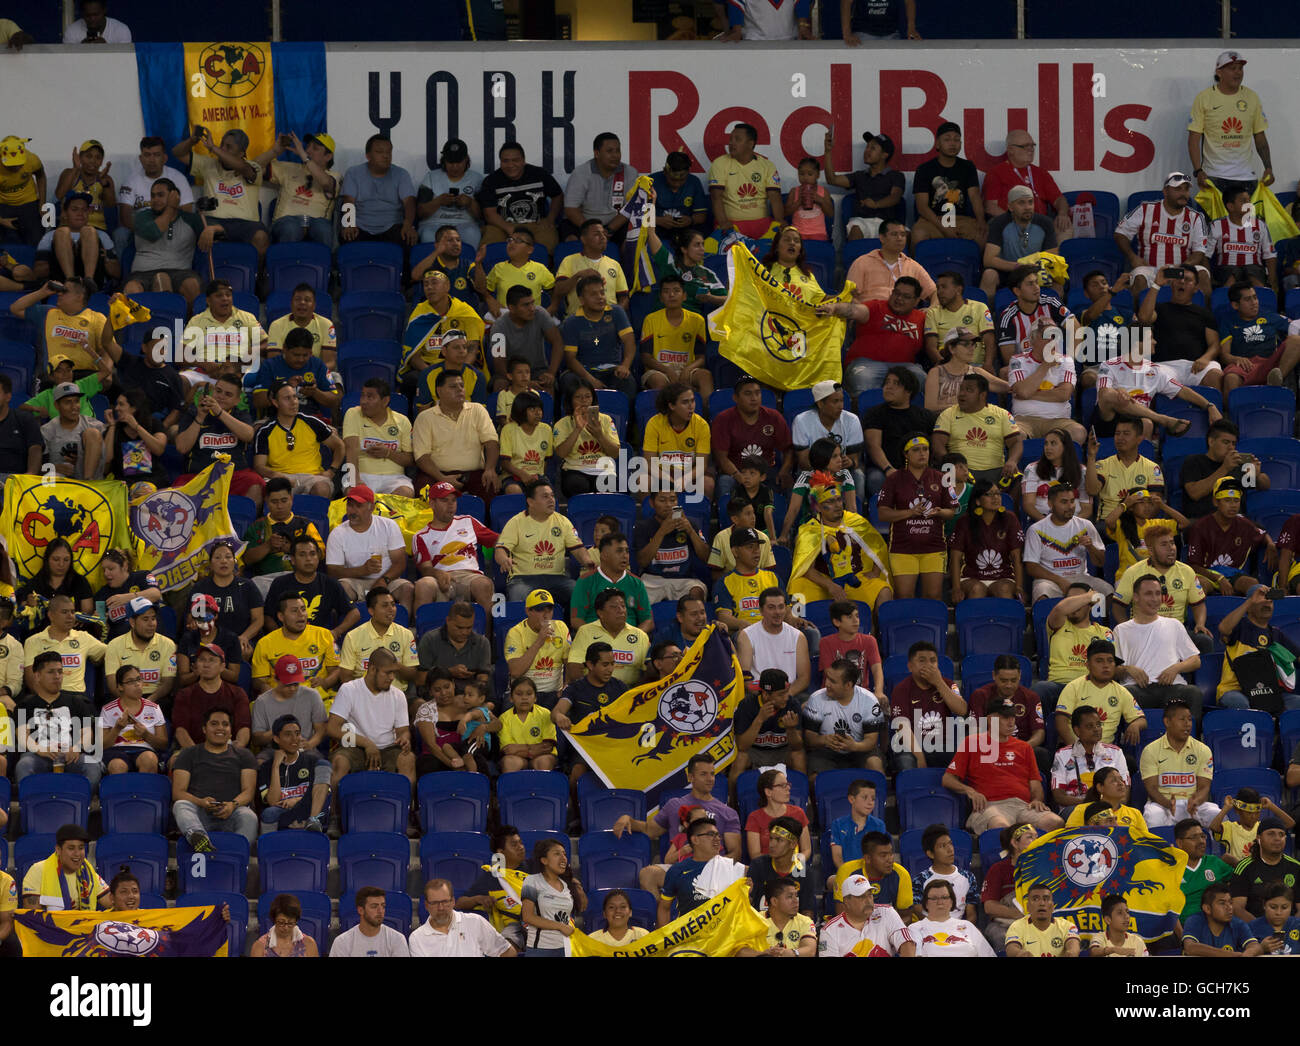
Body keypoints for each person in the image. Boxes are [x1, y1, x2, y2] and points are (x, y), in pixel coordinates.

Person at [615, 754, 743, 894]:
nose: (710, 779)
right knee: (648, 874)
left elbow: (735, 852)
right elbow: (649, 829)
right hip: (679, 869)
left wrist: (710, 868)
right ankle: (662, 908)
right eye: (703, 774)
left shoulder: (727, 812)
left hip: (713, 869)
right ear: (690, 777)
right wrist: (629, 820)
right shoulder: (674, 805)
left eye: (712, 774)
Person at [944, 697, 1063, 835]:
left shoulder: (1025, 747)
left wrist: (1037, 800)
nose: (1011, 721)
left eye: (1013, 716)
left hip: (1023, 806)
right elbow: (947, 779)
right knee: (1001, 826)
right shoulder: (971, 742)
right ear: (990, 719)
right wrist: (970, 791)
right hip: (990, 806)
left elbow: (1035, 784)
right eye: (1005, 717)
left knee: (1055, 822)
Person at [788, 473, 892, 613]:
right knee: (797, 588)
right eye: (830, 502)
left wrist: (875, 572)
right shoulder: (810, 530)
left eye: (838, 500)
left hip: (855, 579)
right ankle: (797, 624)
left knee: (884, 591)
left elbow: (878, 547)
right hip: (823, 583)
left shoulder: (856, 521)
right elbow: (805, 568)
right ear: (818, 507)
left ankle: (875, 627)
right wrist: (830, 585)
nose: (837, 505)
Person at [876, 433, 954, 599]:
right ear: (906, 454)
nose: (922, 453)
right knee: (904, 596)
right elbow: (882, 514)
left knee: (933, 596)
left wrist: (939, 512)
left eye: (925, 449)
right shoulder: (894, 479)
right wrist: (910, 512)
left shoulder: (942, 478)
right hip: (902, 547)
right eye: (916, 450)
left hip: (934, 546)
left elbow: (951, 511)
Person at [170, 706, 258, 851]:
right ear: (204, 729)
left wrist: (232, 805)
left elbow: (248, 791)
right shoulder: (188, 754)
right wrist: (201, 802)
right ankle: (198, 837)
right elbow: (178, 792)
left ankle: (236, 853)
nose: (220, 728)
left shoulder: (244, 755)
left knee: (249, 816)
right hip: (199, 814)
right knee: (181, 805)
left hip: (232, 813)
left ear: (231, 731)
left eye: (225, 724)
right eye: (214, 724)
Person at [174, 127, 268, 260]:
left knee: (261, 237)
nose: (223, 148)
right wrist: (191, 141)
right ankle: (212, 272)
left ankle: (257, 272)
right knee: (208, 233)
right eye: (222, 145)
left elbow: (243, 168)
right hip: (214, 222)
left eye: (228, 147)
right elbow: (178, 153)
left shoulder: (253, 167)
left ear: (241, 153)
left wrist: (213, 148)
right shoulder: (208, 164)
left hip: (245, 224)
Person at [1188, 51, 1273, 197]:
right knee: (1214, 214)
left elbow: (1260, 136)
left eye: (1240, 68)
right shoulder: (1204, 98)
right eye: (1232, 68)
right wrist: (1198, 171)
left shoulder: (1252, 97)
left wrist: (1268, 167)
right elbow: (1193, 139)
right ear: (1219, 72)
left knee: (1248, 214)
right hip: (1213, 177)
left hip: (1246, 177)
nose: (1238, 73)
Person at [495, 478, 592, 605]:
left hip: (557, 578)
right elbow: (500, 550)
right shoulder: (516, 522)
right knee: (517, 595)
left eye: (552, 495)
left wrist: (588, 562)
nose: (551, 500)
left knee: (579, 593)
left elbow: (578, 549)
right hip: (523, 579)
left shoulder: (562, 521)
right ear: (530, 502)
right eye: (545, 496)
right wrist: (504, 559)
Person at [327, 648, 415, 788]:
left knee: (408, 759)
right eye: (388, 672)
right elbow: (332, 728)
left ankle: (407, 802)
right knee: (340, 762)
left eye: (394, 672)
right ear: (372, 669)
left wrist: (404, 738)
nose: (392, 677)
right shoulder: (349, 690)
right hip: (355, 748)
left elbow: (403, 730)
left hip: (388, 748)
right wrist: (366, 743)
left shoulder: (398, 695)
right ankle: (334, 803)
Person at [12, 649, 100, 788]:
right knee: (24, 765)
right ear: (37, 676)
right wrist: (40, 750)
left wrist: (76, 748)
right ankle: (35, 801)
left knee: (92, 766)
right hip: (38, 755)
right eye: (51, 672)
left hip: (71, 755)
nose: (57, 676)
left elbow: (87, 733)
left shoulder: (76, 702)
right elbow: (23, 736)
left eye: (60, 671)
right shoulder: (25, 705)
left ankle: (76, 800)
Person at [1115, 173, 1212, 297]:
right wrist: (1132, 257)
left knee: (1203, 274)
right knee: (1139, 277)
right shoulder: (1145, 209)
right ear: (1165, 191)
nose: (1183, 193)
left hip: (1182, 269)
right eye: (1178, 189)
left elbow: (1199, 251)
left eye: (1186, 189)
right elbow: (1120, 233)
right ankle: (1139, 310)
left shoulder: (1196, 217)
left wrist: (1182, 269)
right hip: (1150, 270)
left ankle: (1206, 310)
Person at [1135, 266, 1224, 392]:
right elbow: (1144, 318)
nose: (1182, 282)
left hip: (1196, 366)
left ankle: (1213, 405)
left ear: (1196, 288)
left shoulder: (1204, 314)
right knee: (1150, 374)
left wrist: (1205, 358)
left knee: (1215, 374)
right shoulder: (1159, 308)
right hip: (1165, 366)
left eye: (1187, 280)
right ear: (1172, 284)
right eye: (1178, 279)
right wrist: (1156, 285)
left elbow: (1214, 344)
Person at [251, 378, 344, 498]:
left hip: (312, 477)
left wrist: (331, 471)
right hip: (281, 477)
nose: (294, 402)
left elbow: (339, 445)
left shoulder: (311, 422)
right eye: (287, 398)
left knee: (322, 488)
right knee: (276, 492)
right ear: (275, 402)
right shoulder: (265, 430)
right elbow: (259, 465)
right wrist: (274, 474)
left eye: (295, 397)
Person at [325, 484, 413, 610]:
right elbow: (333, 571)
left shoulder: (389, 526)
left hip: (387, 580)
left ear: (371, 507)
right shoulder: (337, 533)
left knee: (407, 588)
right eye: (350, 505)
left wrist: (383, 580)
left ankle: (403, 621)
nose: (352, 511)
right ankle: (347, 621)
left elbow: (400, 563)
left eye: (358, 506)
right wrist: (362, 570)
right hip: (355, 582)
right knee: (341, 587)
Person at [1216, 585, 1300, 712]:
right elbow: (1223, 628)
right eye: (1261, 599)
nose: (1267, 603)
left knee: (1297, 703)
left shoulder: (1276, 634)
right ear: (1249, 606)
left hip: (1269, 693)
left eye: (1270, 601)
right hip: (1236, 690)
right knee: (1240, 704)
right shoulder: (1240, 626)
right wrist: (1249, 601)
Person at [930, 373, 1023, 487]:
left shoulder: (1002, 414)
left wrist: (1012, 461)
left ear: (982, 395)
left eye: (969, 390)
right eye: (961, 389)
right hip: (962, 471)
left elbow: (1016, 442)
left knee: (1019, 480)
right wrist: (952, 464)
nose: (962, 393)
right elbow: (938, 443)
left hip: (997, 471)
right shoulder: (948, 414)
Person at [1140, 698, 1219, 830]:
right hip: (1162, 804)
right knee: (1153, 816)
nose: (1187, 724)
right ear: (1167, 722)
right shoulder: (1151, 750)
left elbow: (1204, 787)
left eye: (1189, 719)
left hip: (1192, 803)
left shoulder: (1203, 750)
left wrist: (1195, 801)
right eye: (1182, 719)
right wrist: (1169, 804)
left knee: (1215, 813)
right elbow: (1152, 788)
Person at [802, 658, 888, 778]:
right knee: (815, 779)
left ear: (848, 685)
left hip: (860, 749)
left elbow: (871, 741)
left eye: (833, 681)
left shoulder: (869, 700)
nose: (827, 684)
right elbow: (809, 739)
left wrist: (854, 746)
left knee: (875, 765)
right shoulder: (816, 699)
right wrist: (824, 740)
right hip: (826, 752)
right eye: (827, 678)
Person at [1053, 639, 1147, 750]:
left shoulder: (1121, 691)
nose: (1106, 665)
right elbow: (1061, 721)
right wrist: (1076, 749)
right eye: (1099, 661)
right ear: (1088, 665)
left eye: (1110, 661)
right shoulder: (1074, 687)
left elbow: (1141, 720)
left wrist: (1135, 725)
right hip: (1075, 748)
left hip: (1106, 751)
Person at [1023, 484, 1108, 602]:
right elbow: (1031, 567)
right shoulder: (1036, 530)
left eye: (1072, 501)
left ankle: (1101, 616)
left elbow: (1100, 562)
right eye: (1064, 502)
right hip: (1049, 580)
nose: (1070, 506)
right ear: (1050, 504)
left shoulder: (1085, 525)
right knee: (1042, 593)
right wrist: (1060, 581)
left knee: (1107, 591)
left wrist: (1090, 547)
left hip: (1080, 578)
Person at [981, 130, 1071, 239]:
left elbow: (1059, 199)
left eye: (1032, 146)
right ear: (1010, 150)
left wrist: (1062, 213)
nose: (1031, 149)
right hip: (1011, 222)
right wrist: (1018, 221)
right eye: (1025, 146)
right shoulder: (996, 173)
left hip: (1039, 223)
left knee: (1065, 228)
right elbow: (990, 207)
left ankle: (1050, 251)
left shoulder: (1040, 173)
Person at [476, 141, 563, 250]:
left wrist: (550, 218)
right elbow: (490, 214)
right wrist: (510, 228)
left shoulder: (539, 174)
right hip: (502, 225)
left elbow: (558, 195)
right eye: (505, 161)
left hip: (536, 225)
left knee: (546, 243)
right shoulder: (491, 181)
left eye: (515, 160)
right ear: (500, 162)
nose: (510, 165)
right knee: (489, 246)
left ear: (523, 160)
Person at [658, 817, 745, 925]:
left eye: (718, 835)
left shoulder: (731, 867)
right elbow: (664, 908)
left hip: (723, 933)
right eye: (711, 834)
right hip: (689, 933)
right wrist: (664, 935)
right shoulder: (677, 870)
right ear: (695, 839)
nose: (717, 839)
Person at [1218, 282, 1300, 395]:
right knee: (1231, 378)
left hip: (1270, 365)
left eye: (1255, 297)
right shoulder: (1228, 322)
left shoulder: (1270, 316)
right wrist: (1236, 359)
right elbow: (1224, 355)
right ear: (1235, 305)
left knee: (1296, 340)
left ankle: (1277, 379)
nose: (1254, 302)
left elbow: (1295, 326)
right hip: (1245, 367)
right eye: (1248, 299)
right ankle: (1238, 406)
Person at [950, 480, 1025, 602]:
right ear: (978, 501)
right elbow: (955, 557)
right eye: (989, 494)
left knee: (1004, 589)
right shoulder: (964, 521)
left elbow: (1017, 557)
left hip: (1003, 576)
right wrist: (956, 588)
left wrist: (1019, 587)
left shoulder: (1009, 518)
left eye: (998, 493)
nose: (995, 497)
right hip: (971, 577)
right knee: (977, 589)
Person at [980, 186, 1059, 300]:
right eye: (1021, 203)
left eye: (1030, 202)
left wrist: (1032, 269)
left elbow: (1052, 256)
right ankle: (987, 310)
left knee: (1057, 281)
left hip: (1035, 272)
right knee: (989, 275)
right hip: (1008, 272)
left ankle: (1056, 309)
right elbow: (988, 259)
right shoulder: (999, 223)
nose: (1027, 207)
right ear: (1010, 207)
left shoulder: (1045, 223)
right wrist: (1017, 266)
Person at [1181, 420, 1269, 521]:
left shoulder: (1238, 464)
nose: (1231, 447)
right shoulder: (1194, 461)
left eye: (1233, 443)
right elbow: (1195, 493)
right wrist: (1225, 468)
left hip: (1236, 522)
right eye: (1226, 442)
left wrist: (1257, 475)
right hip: (1203, 522)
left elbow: (1265, 486)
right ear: (1211, 441)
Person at [707, 122, 782, 241]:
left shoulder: (767, 166)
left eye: (737, 139)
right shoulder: (719, 163)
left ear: (750, 144)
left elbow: (775, 198)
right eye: (730, 139)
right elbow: (716, 197)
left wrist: (780, 222)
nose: (731, 143)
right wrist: (723, 223)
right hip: (731, 225)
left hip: (762, 225)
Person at [339, 134, 416, 246]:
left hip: (393, 226)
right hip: (360, 226)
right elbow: (348, 201)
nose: (386, 156)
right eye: (379, 152)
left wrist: (408, 225)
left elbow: (409, 202)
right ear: (368, 156)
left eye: (389, 152)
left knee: (408, 238)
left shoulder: (401, 174)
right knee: (347, 237)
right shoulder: (353, 173)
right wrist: (349, 224)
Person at [259, 713, 330, 832]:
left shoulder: (312, 761)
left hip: (310, 809)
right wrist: (275, 766)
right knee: (269, 813)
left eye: (297, 734)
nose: (294, 739)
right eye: (288, 734)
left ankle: (312, 821)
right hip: (286, 813)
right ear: (276, 739)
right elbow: (273, 802)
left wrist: (296, 800)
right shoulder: (266, 767)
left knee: (324, 765)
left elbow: (324, 793)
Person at [171, 644, 252, 749]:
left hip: (228, 751)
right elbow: (181, 730)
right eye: (202, 660)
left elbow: (244, 728)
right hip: (194, 750)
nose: (206, 665)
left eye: (212, 660)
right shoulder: (185, 695)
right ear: (195, 665)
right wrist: (197, 754)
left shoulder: (237, 693)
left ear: (222, 666)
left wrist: (235, 750)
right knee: (175, 758)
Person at [732, 667, 806, 781]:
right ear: (766, 695)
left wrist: (791, 729)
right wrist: (759, 719)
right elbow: (742, 746)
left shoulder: (792, 705)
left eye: (787, 692)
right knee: (740, 758)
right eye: (781, 694)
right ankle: (732, 793)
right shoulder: (747, 705)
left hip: (781, 752)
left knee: (798, 756)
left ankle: (802, 792)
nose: (786, 697)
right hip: (755, 752)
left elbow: (798, 747)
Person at [410, 878, 515, 957]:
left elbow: (508, 952)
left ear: (453, 901)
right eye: (435, 903)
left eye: (445, 902)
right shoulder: (417, 938)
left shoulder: (475, 922)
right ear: (426, 905)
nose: (441, 908)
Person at [818, 873, 912, 956]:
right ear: (846, 902)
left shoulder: (886, 912)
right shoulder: (829, 930)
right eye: (861, 896)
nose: (868, 901)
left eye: (870, 894)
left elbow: (907, 942)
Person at [520, 837, 585, 956]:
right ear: (544, 860)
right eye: (557, 854)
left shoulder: (567, 885)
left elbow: (581, 908)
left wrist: (578, 888)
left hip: (566, 947)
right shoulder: (532, 881)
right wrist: (560, 926)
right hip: (540, 949)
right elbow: (527, 916)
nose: (563, 858)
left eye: (564, 854)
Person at [21, 824, 109, 911]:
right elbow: (33, 915)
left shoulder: (88, 873)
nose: (77, 853)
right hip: (50, 920)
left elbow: (111, 901)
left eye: (81, 848)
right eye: (71, 848)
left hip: (83, 920)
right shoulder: (38, 871)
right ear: (58, 850)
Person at [99, 663, 167, 775]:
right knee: (117, 766)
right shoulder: (107, 709)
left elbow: (163, 744)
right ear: (120, 686)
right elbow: (101, 746)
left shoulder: (154, 708)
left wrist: (146, 735)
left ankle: (144, 788)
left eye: (139, 679)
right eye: (130, 681)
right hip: (116, 751)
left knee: (149, 760)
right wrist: (117, 729)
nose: (137, 684)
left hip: (144, 750)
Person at [252, 652, 328, 752]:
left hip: (304, 749)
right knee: (261, 760)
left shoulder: (312, 695)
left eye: (296, 684)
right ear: (276, 680)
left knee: (321, 762)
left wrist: (310, 744)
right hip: (274, 751)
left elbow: (321, 729)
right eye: (287, 685)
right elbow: (257, 740)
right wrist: (279, 730)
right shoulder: (262, 702)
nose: (292, 688)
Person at [1229, 816, 1300, 921]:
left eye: (1281, 834)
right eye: (1271, 834)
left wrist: (1290, 928)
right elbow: (1237, 908)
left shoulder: (1296, 867)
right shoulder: (1244, 868)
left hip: (1290, 928)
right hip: (1254, 927)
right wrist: (1261, 928)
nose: (1277, 838)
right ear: (1258, 838)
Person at [416, 138, 483, 248]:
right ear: (444, 161)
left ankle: (468, 260)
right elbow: (420, 212)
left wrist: (470, 203)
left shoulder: (476, 179)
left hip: (465, 223)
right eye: (451, 162)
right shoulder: (431, 177)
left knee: (472, 234)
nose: (455, 166)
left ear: (466, 159)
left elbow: (482, 215)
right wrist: (438, 202)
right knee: (428, 235)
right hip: (434, 223)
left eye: (459, 162)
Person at [1209, 186, 1278, 292]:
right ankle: (1225, 301)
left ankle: (1262, 299)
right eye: (1244, 201)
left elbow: (1270, 256)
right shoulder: (1217, 225)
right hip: (1226, 269)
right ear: (1231, 206)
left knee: (1252, 273)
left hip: (1254, 269)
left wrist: (1272, 282)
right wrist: (1209, 278)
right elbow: (1205, 255)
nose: (1249, 204)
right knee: (1231, 274)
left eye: (1249, 200)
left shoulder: (1260, 225)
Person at [416, 598, 491, 694]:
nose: (464, 632)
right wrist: (449, 672)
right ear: (448, 621)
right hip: (438, 697)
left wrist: (477, 689)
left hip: (470, 697)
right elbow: (420, 679)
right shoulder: (429, 640)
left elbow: (484, 677)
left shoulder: (482, 643)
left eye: (469, 627)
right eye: (459, 627)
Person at [924, 326, 1004, 412]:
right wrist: (963, 405)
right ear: (951, 348)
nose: (972, 349)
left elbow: (1004, 386)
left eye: (973, 344)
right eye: (966, 344)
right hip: (943, 419)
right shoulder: (936, 373)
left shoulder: (976, 372)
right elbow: (930, 406)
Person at [905, 879, 995, 956]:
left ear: (952, 902)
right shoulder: (915, 928)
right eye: (934, 898)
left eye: (944, 897)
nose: (940, 902)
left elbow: (988, 954)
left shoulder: (967, 926)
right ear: (926, 903)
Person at [914, 824, 979, 922]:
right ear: (930, 854)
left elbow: (971, 914)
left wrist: (962, 928)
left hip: (958, 928)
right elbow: (918, 913)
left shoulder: (968, 877)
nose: (950, 849)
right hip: (930, 927)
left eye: (950, 844)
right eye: (943, 846)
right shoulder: (920, 880)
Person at [1211, 788, 1295, 865]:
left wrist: (1271, 806)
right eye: (1249, 813)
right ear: (1237, 810)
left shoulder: (1262, 827)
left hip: (1260, 870)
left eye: (1257, 813)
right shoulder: (1230, 828)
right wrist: (1226, 808)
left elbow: (1290, 823)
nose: (1253, 816)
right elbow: (1213, 827)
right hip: (1237, 870)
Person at [1174, 818, 1235, 923]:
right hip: (1188, 927)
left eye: (1203, 836)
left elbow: (1241, 882)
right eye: (1194, 837)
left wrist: (1236, 862)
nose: (1201, 841)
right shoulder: (1171, 870)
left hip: (1219, 924)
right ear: (1180, 843)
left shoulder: (1214, 862)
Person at [1183, 882, 1262, 956]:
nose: (1229, 907)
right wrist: (1230, 955)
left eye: (1230, 902)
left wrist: (1246, 955)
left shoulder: (1238, 924)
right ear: (1207, 908)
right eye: (1222, 903)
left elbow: (1256, 946)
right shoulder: (1195, 920)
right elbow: (1190, 947)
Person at [1005, 882, 1082, 957]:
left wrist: (1071, 952)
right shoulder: (1016, 926)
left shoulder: (1067, 926)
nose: (1041, 903)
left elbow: (1073, 945)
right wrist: (1019, 953)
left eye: (1046, 899)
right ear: (1028, 907)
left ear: (1052, 907)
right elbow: (1011, 948)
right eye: (1035, 899)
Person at [19, 540, 95, 616]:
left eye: (66, 560)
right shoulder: (34, 584)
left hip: (73, 623)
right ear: (47, 559)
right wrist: (29, 605)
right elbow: (21, 613)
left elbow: (87, 614)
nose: (61, 564)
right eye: (56, 559)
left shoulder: (80, 582)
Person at [329, 888, 411, 957]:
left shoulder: (397, 939)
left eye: (383, 906)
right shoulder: (342, 942)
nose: (380, 911)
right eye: (374, 906)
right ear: (361, 910)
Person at [1063, 767, 1148, 832]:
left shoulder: (1135, 813)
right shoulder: (1082, 810)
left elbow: (1144, 842)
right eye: (1113, 781)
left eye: (1121, 780)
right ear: (1100, 787)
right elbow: (1070, 836)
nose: (1121, 784)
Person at [250, 893, 320, 957]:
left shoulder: (308, 944)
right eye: (281, 922)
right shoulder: (260, 946)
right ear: (274, 920)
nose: (286, 927)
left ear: (296, 921)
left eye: (290, 923)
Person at [1248, 883, 1300, 956]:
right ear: (1264, 905)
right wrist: (1260, 948)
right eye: (1273, 907)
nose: (1278, 912)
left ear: (1291, 906)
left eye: (1284, 907)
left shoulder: (1297, 925)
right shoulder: (1250, 928)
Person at [64, 0, 130, 41]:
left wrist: (106, 48)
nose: (92, 19)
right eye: (88, 15)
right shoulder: (71, 32)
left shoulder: (121, 30)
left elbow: (125, 59)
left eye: (96, 15)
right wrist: (82, 49)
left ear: (104, 10)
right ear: (82, 13)